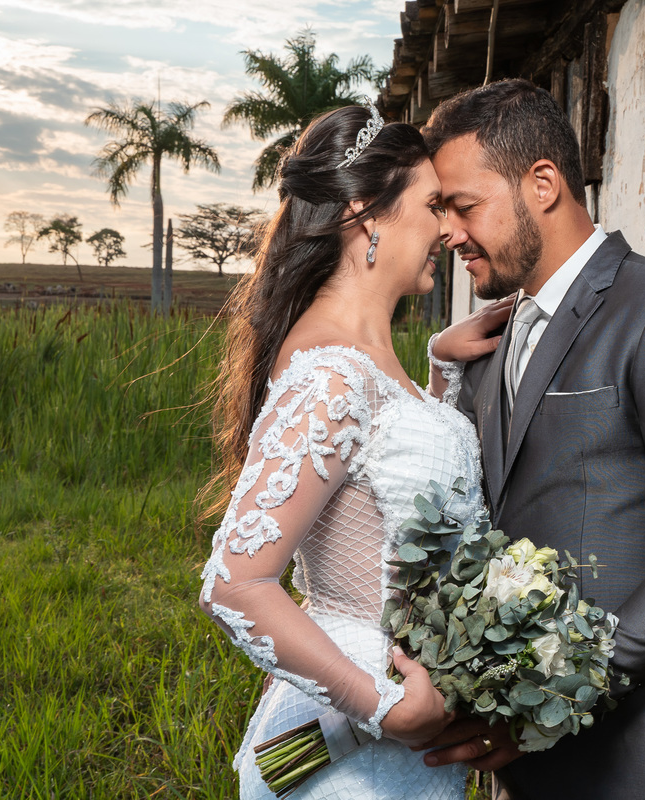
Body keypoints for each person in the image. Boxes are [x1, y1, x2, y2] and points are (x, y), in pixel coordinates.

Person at [420, 79, 645, 799]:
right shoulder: (487, 340)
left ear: (542, 184)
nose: (447, 232)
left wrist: (561, 688)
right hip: (528, 756)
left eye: (463, 205)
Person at [198, 104, 501, 800]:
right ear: (368, 215)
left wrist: (438, 380)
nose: (447, 230)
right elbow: (234, 584)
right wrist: (383, 706)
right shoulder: (331, 375)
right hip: (353, 749)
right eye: (431, 206)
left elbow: (389, 488)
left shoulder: (364, 358)